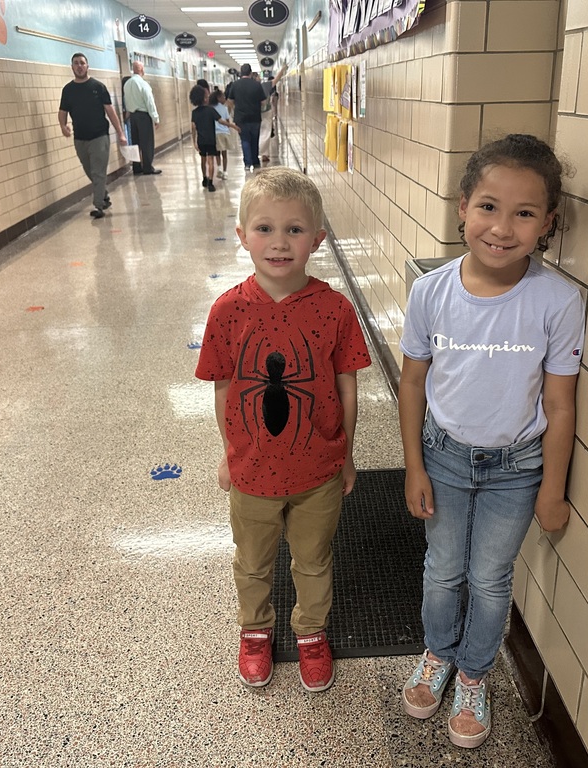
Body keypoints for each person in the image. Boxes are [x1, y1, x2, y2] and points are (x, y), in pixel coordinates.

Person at [398, 134, 584, 749]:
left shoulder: (557, 300)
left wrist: (552, 489)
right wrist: (413, 468)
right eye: (488, 207)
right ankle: (437, 653)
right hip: (443, 458)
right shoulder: (432, 292)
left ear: (547, 223)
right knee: (443, 570)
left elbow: (559, 401)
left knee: (489, 576)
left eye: (524, 213)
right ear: (462, 207)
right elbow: (414, 382)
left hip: (517, 469)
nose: (502, 228)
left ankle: (475, 672)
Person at [195, 168, 372, 693]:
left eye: (295, 230)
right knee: (252, 561)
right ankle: (255, 629)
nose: (279, 242)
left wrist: (346, 454)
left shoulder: (335, 309)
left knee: (313, 559)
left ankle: (311, 633)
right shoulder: (227, 311)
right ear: (242, 235)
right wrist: (229, 453)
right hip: (251, 472)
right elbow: (224, 388)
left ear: (318, 238)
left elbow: (346, 389)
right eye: (265, 228)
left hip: (318, 468)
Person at [58, 53, 127, 219]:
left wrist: (120, 133)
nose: (79, 66)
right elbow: (62, 111)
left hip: (99, 136)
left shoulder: (98, 87)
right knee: (90, 170)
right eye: (76, 63)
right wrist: (63, 126)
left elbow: (110, 111)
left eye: (82, 63)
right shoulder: (68, 90)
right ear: (72, 67)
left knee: (98, 172)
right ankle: (103, 196)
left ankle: (98, 205)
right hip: (80, 138)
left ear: (87, 66)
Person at [189, 85, 238, 192]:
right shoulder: (210, 110)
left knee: (203, 160)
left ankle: (204, 178)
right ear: (204, 98)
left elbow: (193, 127)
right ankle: (211, 182)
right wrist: (233, 126)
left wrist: (194, 142)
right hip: (211, 140)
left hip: (201, 141)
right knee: (211, 160)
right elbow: (222, 121)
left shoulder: (194, 112)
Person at [224, 63, 266, 171]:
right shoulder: (257, 85)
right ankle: (255, 162)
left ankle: (247, 163)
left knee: (245, 140)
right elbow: (263, 102)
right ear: (250, 73)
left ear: (241, 73)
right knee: (254, 140)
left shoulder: (235, 85)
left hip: (241, 118)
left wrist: (236, 108)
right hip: (255, 117)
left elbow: (229, 101)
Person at [122, 61, 161, 175]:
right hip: (143, 116)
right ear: (141, 70)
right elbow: (149, 102)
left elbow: (127, 101)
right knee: (147, 142)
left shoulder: (127, 84)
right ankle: (148, 167)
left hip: (132, 117)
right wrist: (156, 118)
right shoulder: (143, 84)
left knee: (135, 143)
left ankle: (136, 167)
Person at [259, 65, 287, 163]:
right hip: (266, 111)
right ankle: (263, 153)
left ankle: (263, 153)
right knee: (266, 132)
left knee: (260, 132)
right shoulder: (264, 86)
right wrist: (283, 69)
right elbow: (276, 79)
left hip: (255, 113)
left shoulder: (249, 88)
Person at [210, 89, 234, 180]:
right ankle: (225, 172)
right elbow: (227, 121)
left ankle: (219, 168)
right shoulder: (224, 108)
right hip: (224, 133)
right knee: (224, 154)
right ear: (218, 98)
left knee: (217, 153)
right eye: (223, 97)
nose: (225, 98)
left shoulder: (211, 108)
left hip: (215, 133)